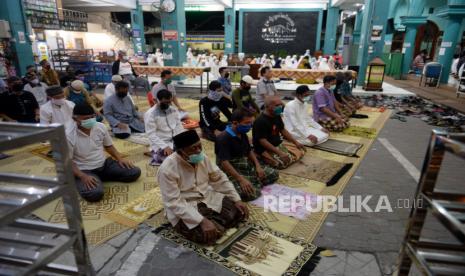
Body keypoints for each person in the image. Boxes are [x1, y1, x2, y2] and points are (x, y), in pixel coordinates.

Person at [157, 130, 249, 244]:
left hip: (206, 197)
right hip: (186, 204)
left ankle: (213, 219)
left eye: (199, 146)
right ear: (181, 151)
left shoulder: (202, 158)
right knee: (211, 235)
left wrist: (236, 199)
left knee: (239, 213)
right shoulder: (167, 169)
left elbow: (219, 179)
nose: (199, 150)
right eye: (193, 148)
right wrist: (201, 221)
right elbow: (173, 201)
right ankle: (209, 221)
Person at [67, 103, 141, 202]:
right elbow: (67, 161)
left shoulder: (100, 127)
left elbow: (109, 146)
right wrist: (82, 176)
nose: (90, 120)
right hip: (84, 170)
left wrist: (120, 159)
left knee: (134, 172)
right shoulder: (68, 135)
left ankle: (99, 178)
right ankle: (86, 180)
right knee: (95, 193)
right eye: (85, 118)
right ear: (75, 119)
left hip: (104, 164)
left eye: (92, 117)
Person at [215, 109, 279, 201]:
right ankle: (251, 182)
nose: (250, 126)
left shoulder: (242, 134)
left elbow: (249, 151)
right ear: (235, 123)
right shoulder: (223, 138)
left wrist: (258, 166)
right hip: (231, 169)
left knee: (273, 174)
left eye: (251, 123)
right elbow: (224, 163)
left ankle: (253, 181)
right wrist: (240, 179)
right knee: (250, 193)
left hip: (244, 164)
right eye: (247, 123)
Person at [252, 96, 305, 169]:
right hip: (265, 148)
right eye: (277, 105)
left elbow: (282, 130)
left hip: (277, 143)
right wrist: (279, 153)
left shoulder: (276, 115)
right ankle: (261, 156)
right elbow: (263, 141)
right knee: (283, 163)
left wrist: (295, 142)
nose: (280, 107)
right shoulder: (260, 121)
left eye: (280, 104)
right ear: (267, 107)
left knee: (301, 150)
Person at [145, 89, 185, 165]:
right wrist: (164, 146)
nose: (168, 104)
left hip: (175, 139)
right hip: (161, 142)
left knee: (190, 149)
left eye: (169, 102)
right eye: (165, 102)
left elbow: (178, 124)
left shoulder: (173, 110)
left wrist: (181, 138)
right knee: (170, 160)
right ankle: (154, 152)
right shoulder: (150, 114)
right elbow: (151, 134)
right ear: (157, 100)